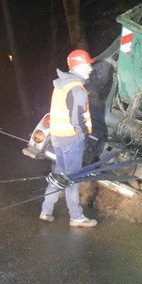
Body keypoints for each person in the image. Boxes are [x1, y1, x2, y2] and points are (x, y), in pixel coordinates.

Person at [39, 49, 98, 228]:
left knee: (59, 175)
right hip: (71, 140)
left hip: (58, 137)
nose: (90, 68)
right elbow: (76, 119)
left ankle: (46, 210)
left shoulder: (62, 84)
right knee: (72, 179)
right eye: (87, 64)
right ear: (79, 66)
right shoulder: (77, 90)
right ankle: (76, 217)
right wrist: (83, 135)